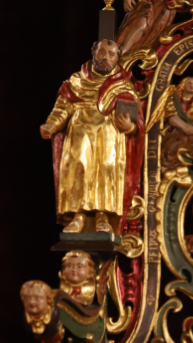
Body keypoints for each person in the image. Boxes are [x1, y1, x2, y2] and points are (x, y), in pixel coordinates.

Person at [40, 40, 144, 234]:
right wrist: (52, 125)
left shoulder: (122, 85)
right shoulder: (76, 81)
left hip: (109, 137)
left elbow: (136, 121)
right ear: (93, 52)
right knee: (79, 168)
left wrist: (130, 127)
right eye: (102, 52)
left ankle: (103, 217)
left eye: (111, 54)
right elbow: (63, 107)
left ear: (117, 58)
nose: (106, 58)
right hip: (80, 133)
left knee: (105, 171)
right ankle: (78, 216)